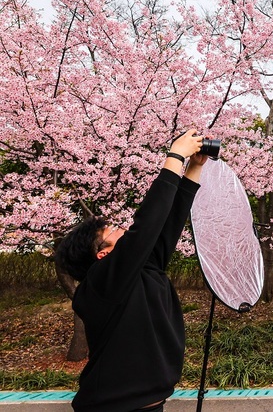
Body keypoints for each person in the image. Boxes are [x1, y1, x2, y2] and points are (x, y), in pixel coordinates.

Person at [55, 130, 208, 412]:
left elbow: (167, 226)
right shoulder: (101, 283)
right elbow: (145, 226)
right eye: (114, 232)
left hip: (149, 406)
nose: (123, 229)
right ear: (103, 254)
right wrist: (174, 157)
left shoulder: (143, 272)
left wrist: (194, 167)